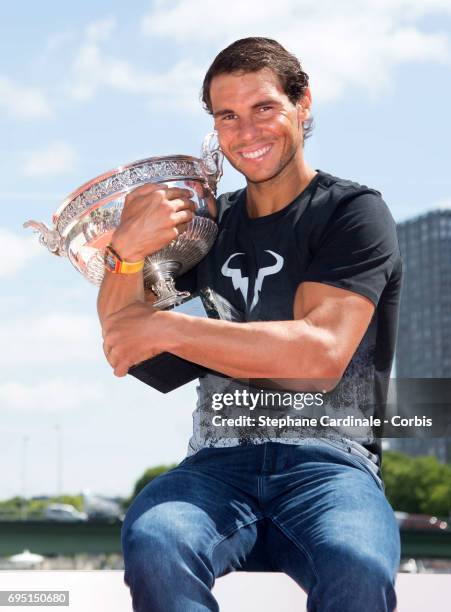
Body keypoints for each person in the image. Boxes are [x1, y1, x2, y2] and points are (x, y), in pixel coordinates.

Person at [99, 37, 402, 612]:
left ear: (303, 102)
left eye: (264, 107)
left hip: (331, 462)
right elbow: (122, 341)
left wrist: (169, 330)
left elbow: (318, 358)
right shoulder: (208, 225)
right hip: (217, 463)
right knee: (156, 540)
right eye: (227, 116)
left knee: (358, 566)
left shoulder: (351, 213)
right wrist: (126, 253)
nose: (246, 131)